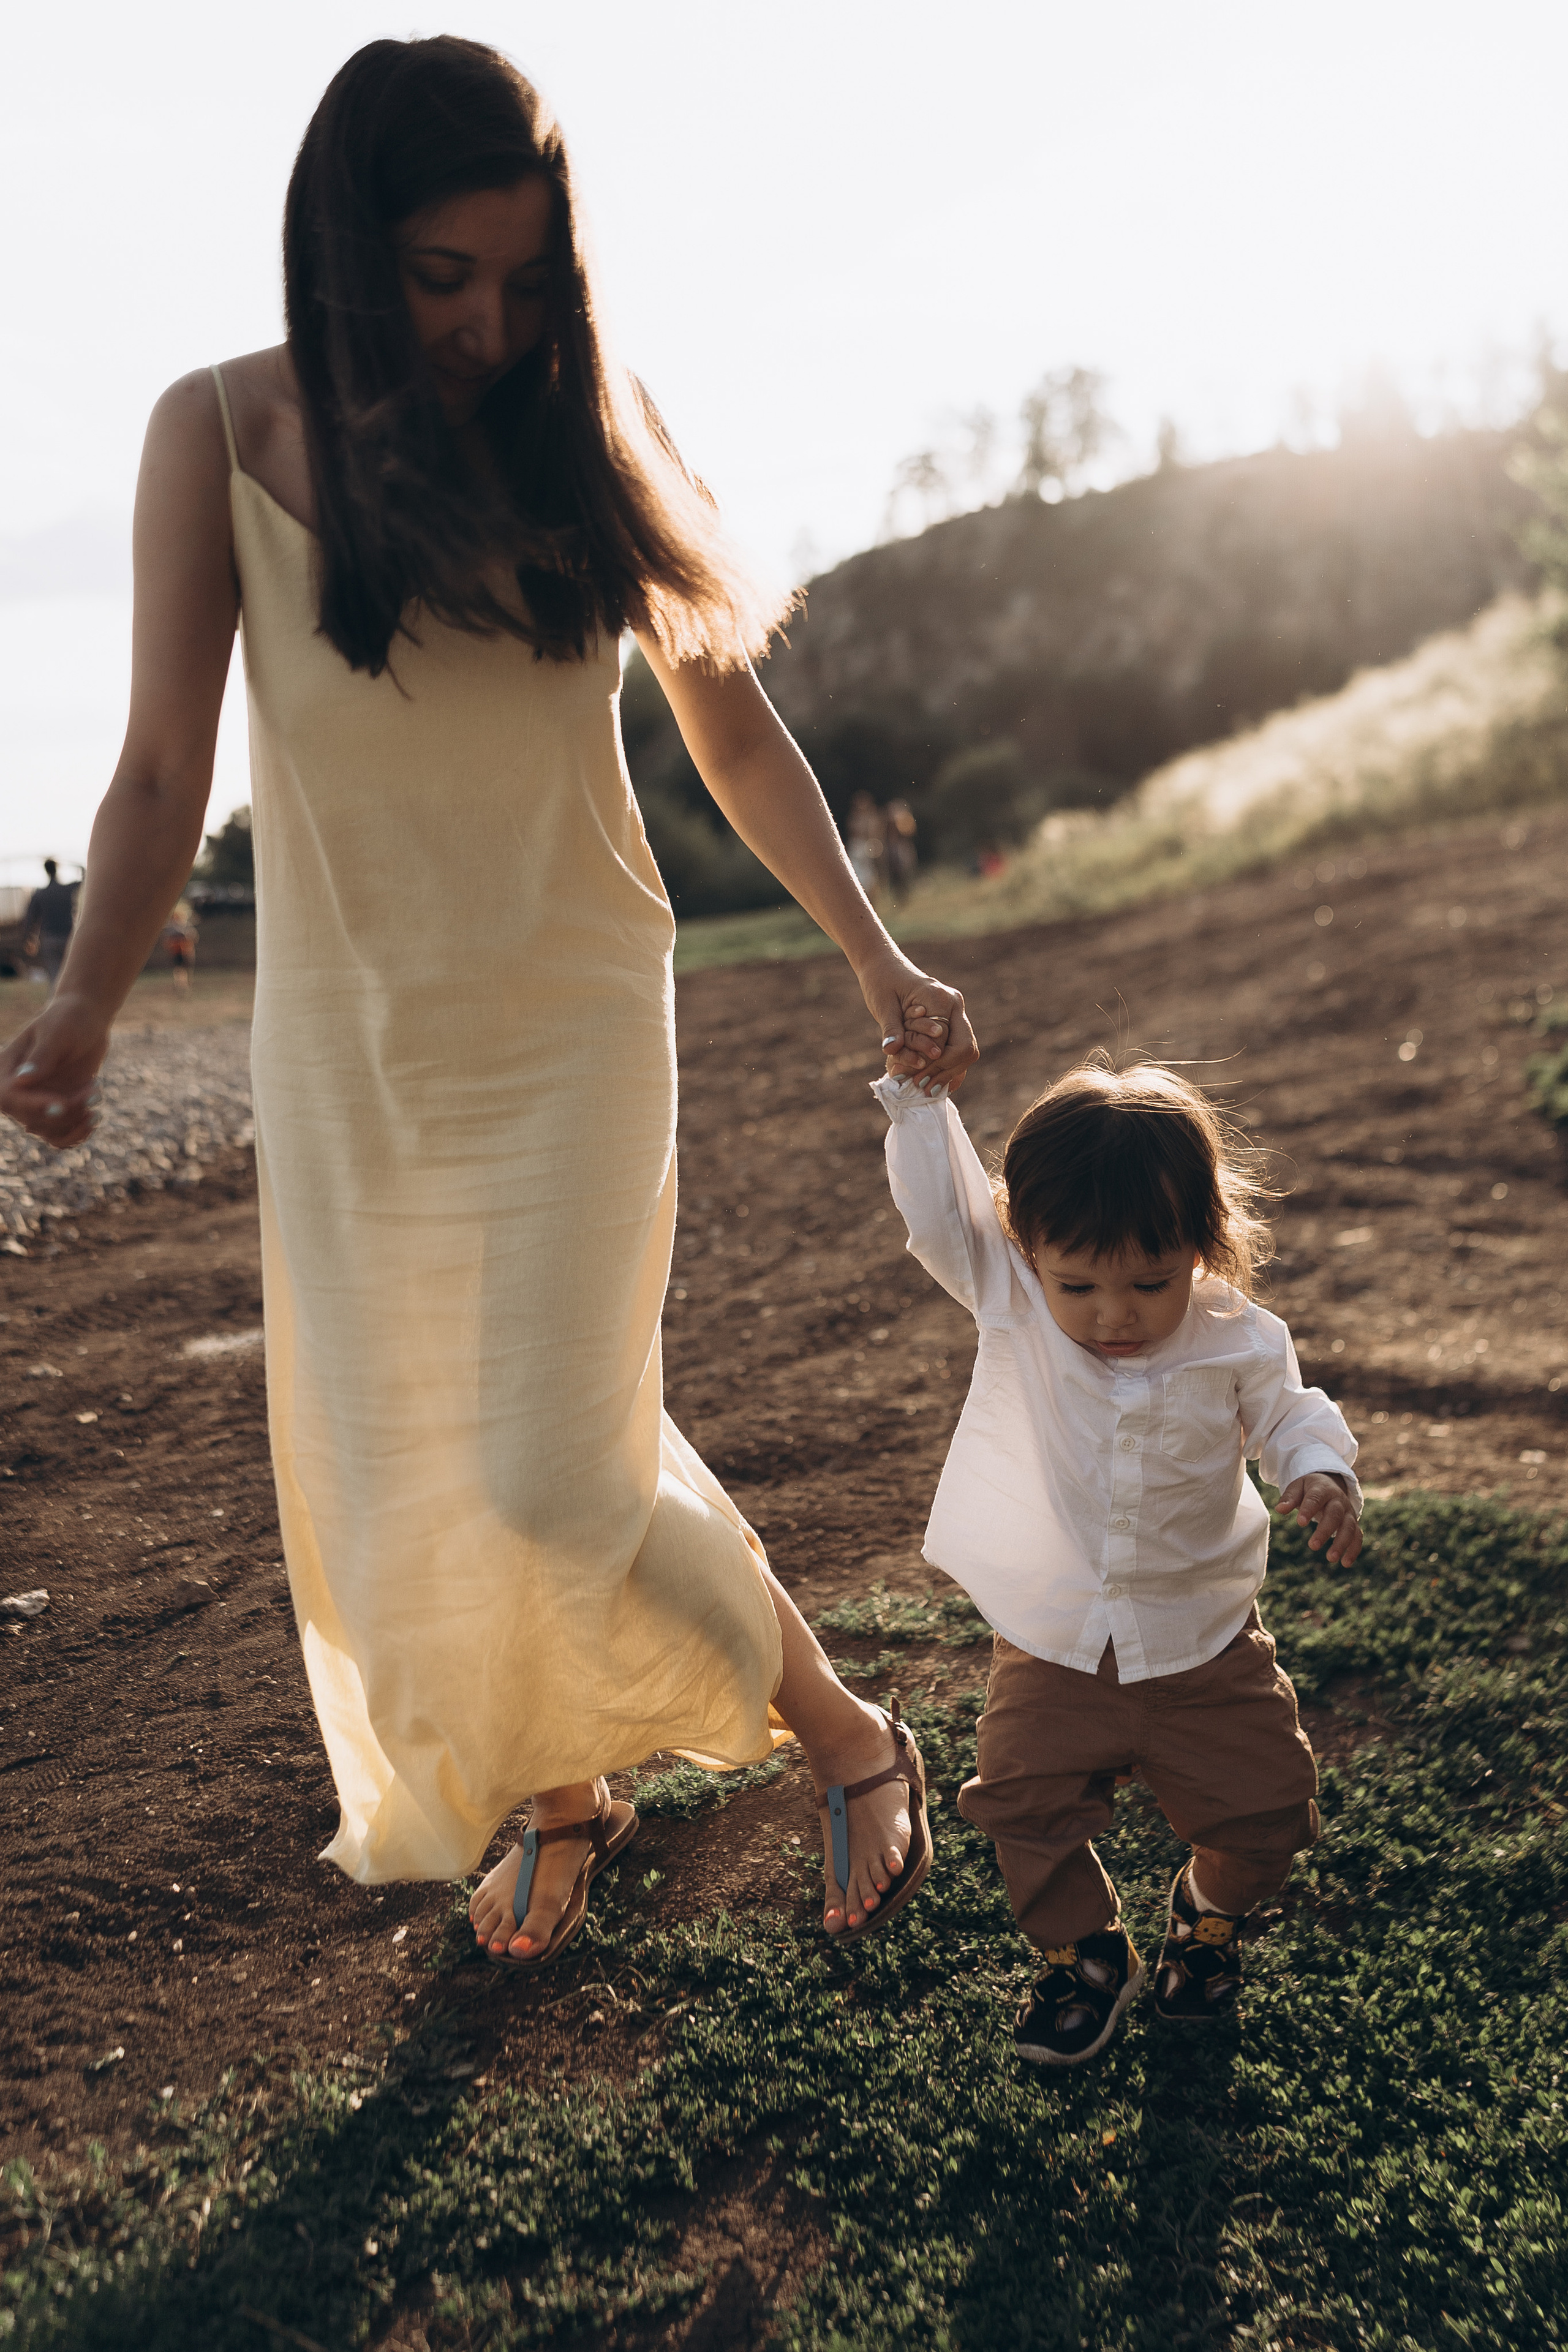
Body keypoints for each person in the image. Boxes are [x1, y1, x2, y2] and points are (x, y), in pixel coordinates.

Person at [0, 37, 976, 1966]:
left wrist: (877, 952)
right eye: (441, 278)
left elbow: (732, 731)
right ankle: (559, 1785)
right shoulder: (216, 433)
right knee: (429, 1458)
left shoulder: (582, 422)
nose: (486, 325)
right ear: (346, 249)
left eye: (527, 282)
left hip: (572, 1014)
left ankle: (844, 1728)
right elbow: (159, 770)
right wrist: (88, 1001)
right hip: (352, 1043)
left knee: (550, 1465)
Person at [872, 1049, 1361, 2064]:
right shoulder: (1013, 1303)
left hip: (1204, 1639)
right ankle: (1088, 1955)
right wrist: (920, 1097)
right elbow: (941, 1216)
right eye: (1078, 1283)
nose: (1114, 1313)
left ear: (1203, 1244)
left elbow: (1290, 1416)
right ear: (1028, 1251)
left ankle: (1206, 1919)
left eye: (1151, 1280)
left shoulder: (1238, 1339)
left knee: (1270, 1815)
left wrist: (1319, 1471)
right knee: (1019, 1806)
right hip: (1056, 1639)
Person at [22, 859, 78, 989]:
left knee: (55, 974)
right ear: (56, 869)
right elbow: (84, 877)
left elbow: (30, 919)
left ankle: (58, 997)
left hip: (50, 938)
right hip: (68, 937)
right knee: (71, 972)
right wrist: (75, 865)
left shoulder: (40, 894)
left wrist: (28, 938)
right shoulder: (67, 890)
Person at [846, 791, 887, 908]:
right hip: (858, 852)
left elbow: (875, 836)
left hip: (868, 852)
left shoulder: (872, 819)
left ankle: (871, 906)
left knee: (870, 881)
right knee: (858, 879)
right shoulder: (853, 819)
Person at [884, 798, 918, 906]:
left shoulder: (905, 819)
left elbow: (909, 832)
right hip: (892, 849)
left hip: (902, 848)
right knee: (895, 874)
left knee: (905, 871)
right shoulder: (887, 822)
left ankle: (905, 896)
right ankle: (899, 898)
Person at [159, 899, 198, 990]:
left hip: (187, 951)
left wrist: (186, 937)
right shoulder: (170, 927)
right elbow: (166, 941)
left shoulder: (185, 925)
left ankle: (186, 985)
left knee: (187, 969)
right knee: (179, 969)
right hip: (177, 951)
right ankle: (181, 985)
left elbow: (194, 937)